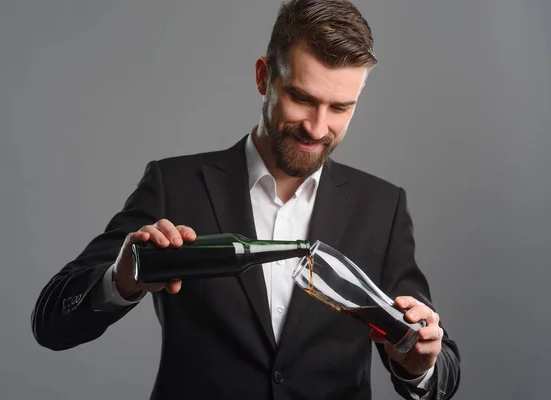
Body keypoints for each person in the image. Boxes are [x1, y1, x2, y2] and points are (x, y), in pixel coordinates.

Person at [31, 1, 461, 399]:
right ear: (263, 77)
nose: (317, 127)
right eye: (302, 98)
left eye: (340, 108)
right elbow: (51, 323)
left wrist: (418, 362)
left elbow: (440, 371)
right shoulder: (173, 184)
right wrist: (120, 282)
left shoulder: (382, 206)